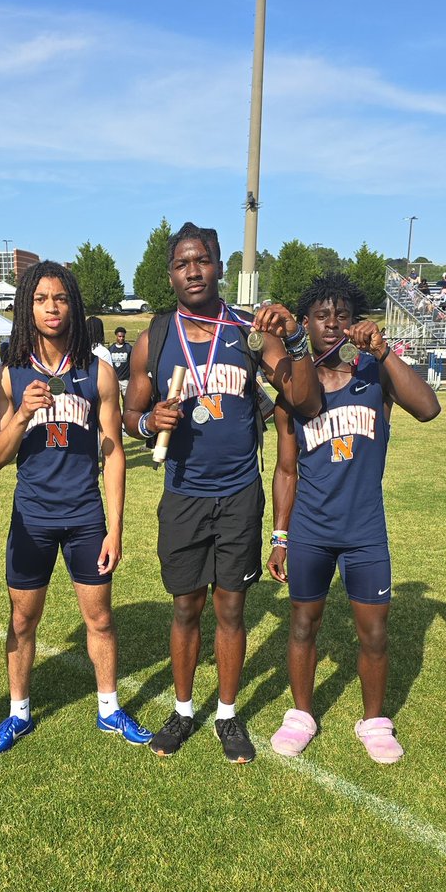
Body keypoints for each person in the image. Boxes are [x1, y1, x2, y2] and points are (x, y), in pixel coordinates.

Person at [123, 221, 321, 762]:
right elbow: (129, 416)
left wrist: (296, 338)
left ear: (218, 265)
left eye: (203, 260)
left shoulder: (249, 331)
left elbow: (303, 400)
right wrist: (148, 424)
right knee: (186, 607)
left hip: (239, 494)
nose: (193, 271)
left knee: (231, 609)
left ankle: (228, 716)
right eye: (183, 263)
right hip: (183, 493)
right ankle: (184, 710)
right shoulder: (155, 337)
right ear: (170, 274)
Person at [267, 272, 440, 763]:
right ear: (305, 322)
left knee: (375, 632)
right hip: (311, 530)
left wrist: (384, 352)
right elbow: (285, 470)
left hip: (365, 528)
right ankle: (301, 714)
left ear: (355, 321)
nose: (332, 324)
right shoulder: (292, 392)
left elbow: (428, 408)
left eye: (341, 315)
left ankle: (375, 721)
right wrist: (280, 536)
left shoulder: (373, 372)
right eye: (321, 315)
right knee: (303, 624)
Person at [0, 259, 151, 753]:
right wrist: (20, 414)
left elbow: (114, 451)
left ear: (72, 305)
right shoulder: (8, 375)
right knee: (21, 621)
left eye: (59, 298)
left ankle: (109, 707)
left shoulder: (96, 370)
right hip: (31, 516)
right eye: (40, 299)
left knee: (99, 618)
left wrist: (115, 529)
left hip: (84, 516)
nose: (51, 307)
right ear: (26, 307)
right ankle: (18, 713)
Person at [109, 326, 132, 398]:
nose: (121, 338)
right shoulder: (111, 349)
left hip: (126, 379)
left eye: (123, 336)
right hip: (115, 379)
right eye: (119, 336)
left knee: (127, 399)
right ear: (116, 336)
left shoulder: (129, 348)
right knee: (114, 399)